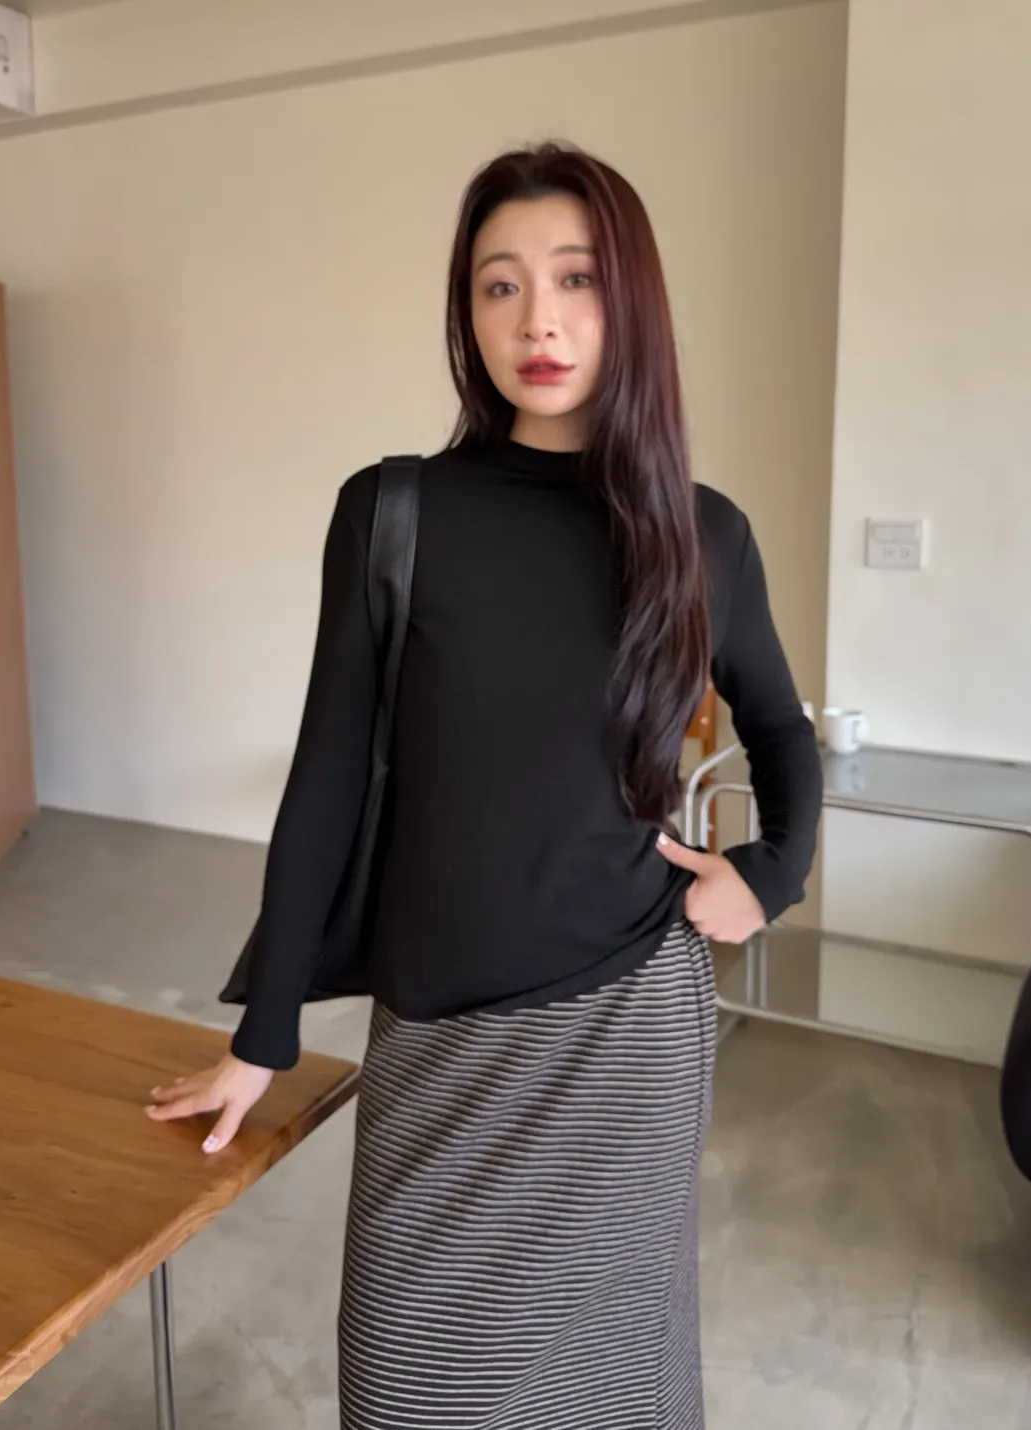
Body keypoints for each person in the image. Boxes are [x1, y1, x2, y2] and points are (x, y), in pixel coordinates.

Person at [147, 141, 822, 1429]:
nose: (538, 321)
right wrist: (263, 1037)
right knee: (411, 1385)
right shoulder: (393, 514)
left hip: (626, 1030)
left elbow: (783, 736)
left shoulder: (703, 533)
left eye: (576, 279)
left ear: (632, 304)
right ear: (467, 314)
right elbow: (326, 778)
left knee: (614, 1382)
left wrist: (769, 877)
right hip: (439, 1034)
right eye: (499, 285)